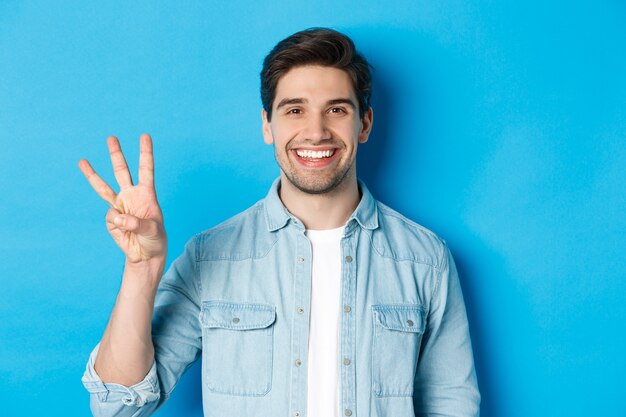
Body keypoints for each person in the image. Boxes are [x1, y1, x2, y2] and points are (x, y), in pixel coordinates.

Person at [80, 28, 480, 417]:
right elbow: (116, 405)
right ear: (267, 125)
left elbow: (452, 403)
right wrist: (141, 270)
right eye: (294, 110)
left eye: (336, 110)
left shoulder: (425, 259)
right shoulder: (209, 258)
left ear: (365, 124)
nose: (316, 132)